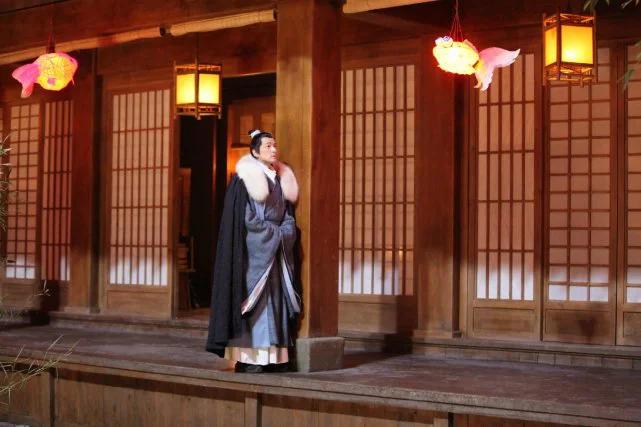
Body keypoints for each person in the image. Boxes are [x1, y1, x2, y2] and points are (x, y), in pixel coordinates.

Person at [206, 129, 301, 373]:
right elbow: (247, 219)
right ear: (255, 152)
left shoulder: (280, 179)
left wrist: (284, 232)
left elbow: (287, 215)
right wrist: (272, 234)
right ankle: (251, 359)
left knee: (276, 302)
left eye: (274, 145)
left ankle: (274, 359)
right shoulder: (245, 180)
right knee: (256, 306)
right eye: (268, 145)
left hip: (276, 251)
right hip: (255, 254)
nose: (273, 149)